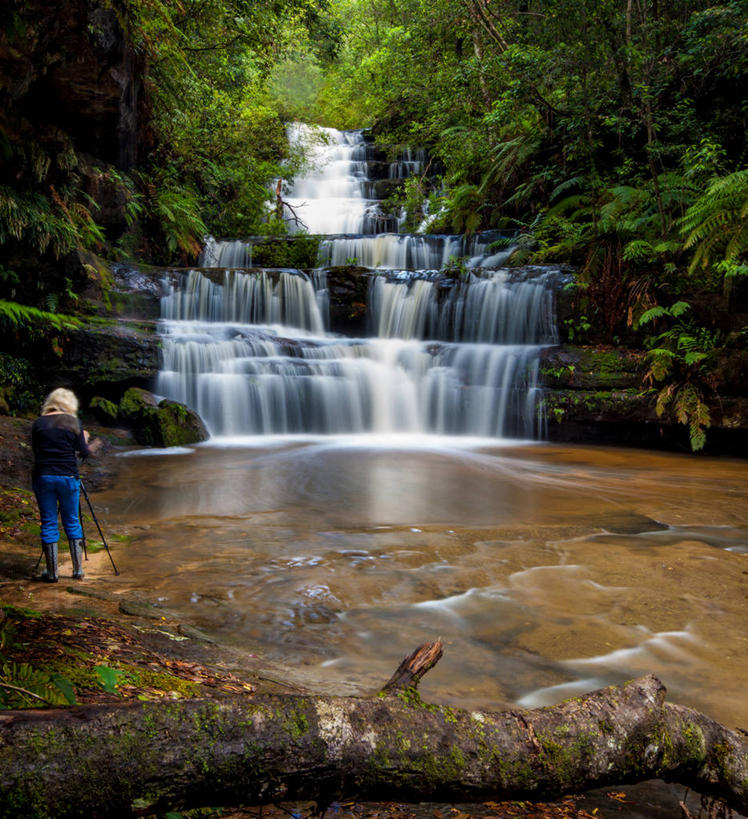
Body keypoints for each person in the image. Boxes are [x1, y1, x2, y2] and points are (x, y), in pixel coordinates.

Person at [31, 388, 99, 582]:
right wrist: (85, 439)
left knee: (49, 521)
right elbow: (84, 453)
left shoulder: (38, 423)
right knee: (71, 520)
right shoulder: (73, 423)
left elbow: (37, 451)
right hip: (68, 476)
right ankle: (77, 570)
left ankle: (52, 573)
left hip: (43, 476)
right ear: (70, 404)